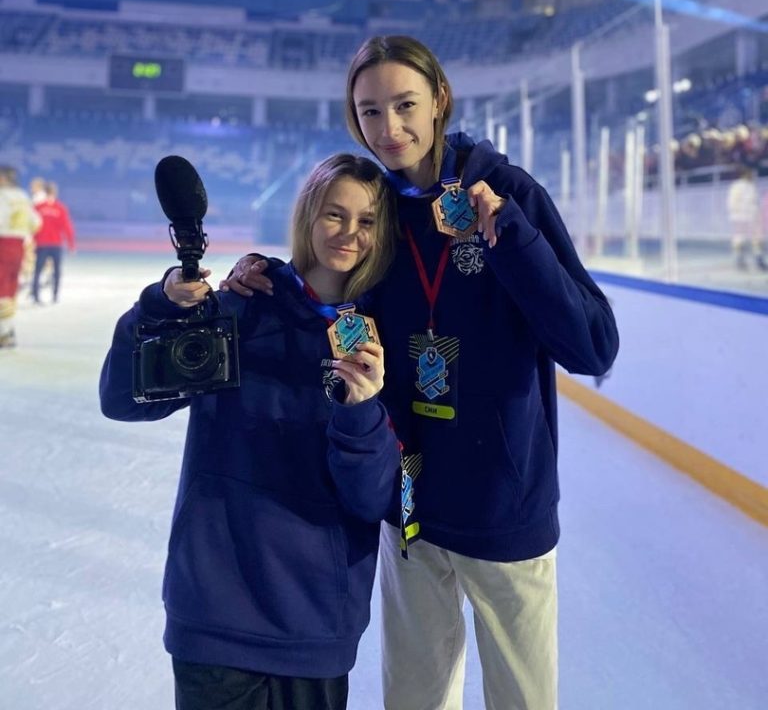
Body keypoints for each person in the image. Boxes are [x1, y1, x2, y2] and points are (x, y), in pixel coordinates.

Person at [226, 35, 620, 710]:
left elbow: (593, 347)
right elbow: (329, 290)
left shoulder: (509, 194)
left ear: (439, 99)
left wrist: (512, 239)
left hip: (503, 510)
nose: (390, 127)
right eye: (370, 111)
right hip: (409, 508)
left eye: (405, 104)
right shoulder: (377, 206)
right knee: (412, 700)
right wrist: (264, 275)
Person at [99, 153, 401, 710]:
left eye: (367, 221)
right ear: (308, 215)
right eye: (335, 214)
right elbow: (123, 400)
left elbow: (374, 500)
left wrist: (361, 411)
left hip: (315, 623)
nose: (349, 233)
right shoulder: (242, 307)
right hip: (215, 611)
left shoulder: (382, 339)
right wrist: (162, 306)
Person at [0, 166, 42, 349]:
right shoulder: (22, 196)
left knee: (2, 289)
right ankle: (8, 331)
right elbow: (36, 222)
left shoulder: (2, 197)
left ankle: (4, 333)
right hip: (18, 247)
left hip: (2, 244)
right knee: (9, 289)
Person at [31, 181, 76, 303]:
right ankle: (55, 296)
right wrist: (71, 245)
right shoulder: (60, 207)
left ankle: (35, 295)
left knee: (38, 270)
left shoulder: (38, 207)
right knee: (56, 271)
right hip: (56, 244)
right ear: (55, 193)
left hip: (42, 244)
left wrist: (32, 240)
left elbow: (32, 226)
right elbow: (67, 227)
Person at [726, 166, 767, 270]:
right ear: (745, 174)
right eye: (750, 173)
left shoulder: (752, 186)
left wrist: (758, 215)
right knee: (740, 238)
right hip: (741, 217)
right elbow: (732, 202)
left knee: (757, 238)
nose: (752, 176)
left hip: (753, 216)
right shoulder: (736, 186)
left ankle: (758, 259)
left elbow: (756, 203)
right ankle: (740, 259)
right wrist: (737, 215)